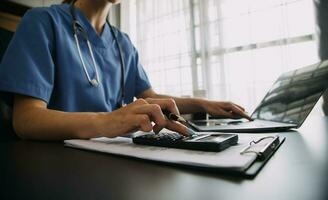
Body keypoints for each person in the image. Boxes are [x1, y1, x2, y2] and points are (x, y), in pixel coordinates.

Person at [0, 0, 250, 141]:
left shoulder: (122, 43)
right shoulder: (43, 22)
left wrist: (203, 104)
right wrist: (107, 121)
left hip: (112, 159)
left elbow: (150, 98)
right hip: (57, 164)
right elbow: (26, 120)